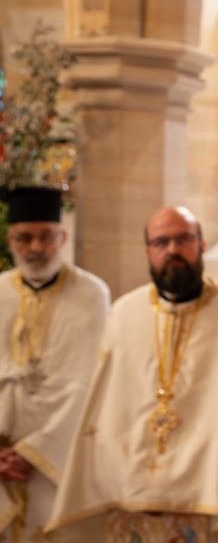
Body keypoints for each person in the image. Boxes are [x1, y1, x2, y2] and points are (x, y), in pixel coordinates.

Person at [46, 206, 218, 543]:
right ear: (148, 251)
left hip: (205, 493)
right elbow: (103, 409)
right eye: (161, 242)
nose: (173, 250)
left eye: (184, 239)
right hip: (130, 494)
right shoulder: (124, 313)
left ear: (201, 245)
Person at [0, 186, 109, 543]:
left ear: (63, 237)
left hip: (62, 457)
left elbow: (90, 384)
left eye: (46, 237)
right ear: (10, 240)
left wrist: (36, 452)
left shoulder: (92, 294)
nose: (36, 247)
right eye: (24, 238)